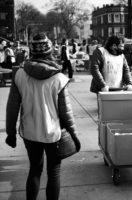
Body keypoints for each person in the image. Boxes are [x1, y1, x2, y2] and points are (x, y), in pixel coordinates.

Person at [5, 33, 81, 200]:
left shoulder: (19, 74)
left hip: (29, 132)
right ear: (49, 52)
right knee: (53, 172)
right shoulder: (59, 78)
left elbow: (12, 107)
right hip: (53, 134)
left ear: (31, 52)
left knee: (34, 170)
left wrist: (10, 132)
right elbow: (66, 113)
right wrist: (74, 136)